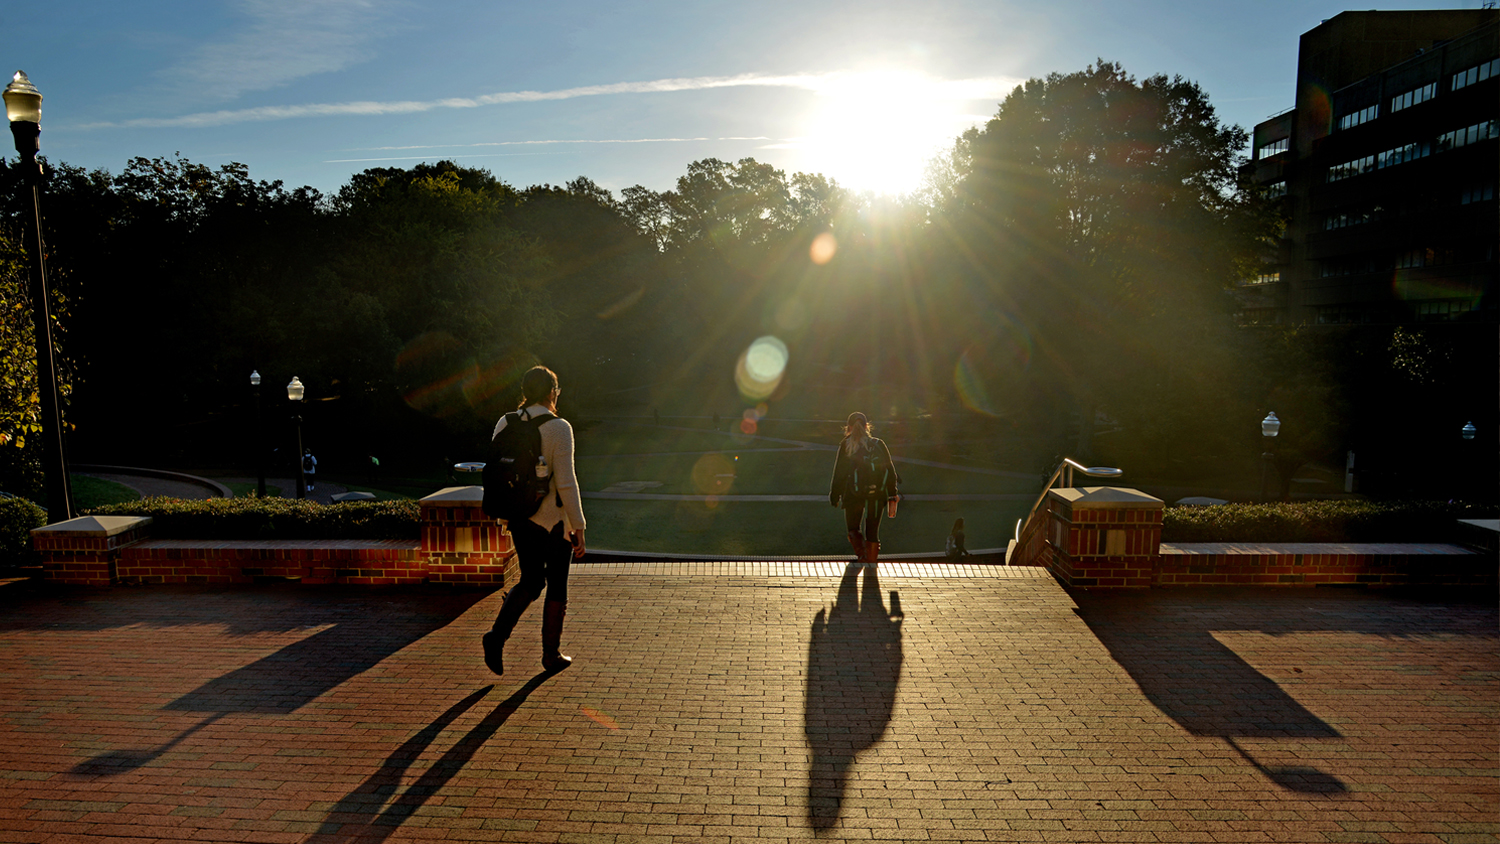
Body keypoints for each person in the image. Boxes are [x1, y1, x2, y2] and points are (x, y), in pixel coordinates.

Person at [482, 366, 587, 675]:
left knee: (530, 580)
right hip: (553, 520)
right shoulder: (559, 427)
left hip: (519, 516)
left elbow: (499, 472)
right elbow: (566, 481)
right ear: (552, 392)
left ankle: (496, 637)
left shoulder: (506, 422)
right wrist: (577, 526)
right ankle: (550, 654)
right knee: (556, 585)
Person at [828, 412, 900, 563]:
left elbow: (839, 473)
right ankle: (871, 564)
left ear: (849, 427)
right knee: (872, 532)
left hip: (853, 495)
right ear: (867, 426)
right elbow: (890, 470)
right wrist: (892, 493)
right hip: (877, 495)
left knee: (853, 528)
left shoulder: (846, 445)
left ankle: (862, 556)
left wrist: (835, 495)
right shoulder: (878, 444)